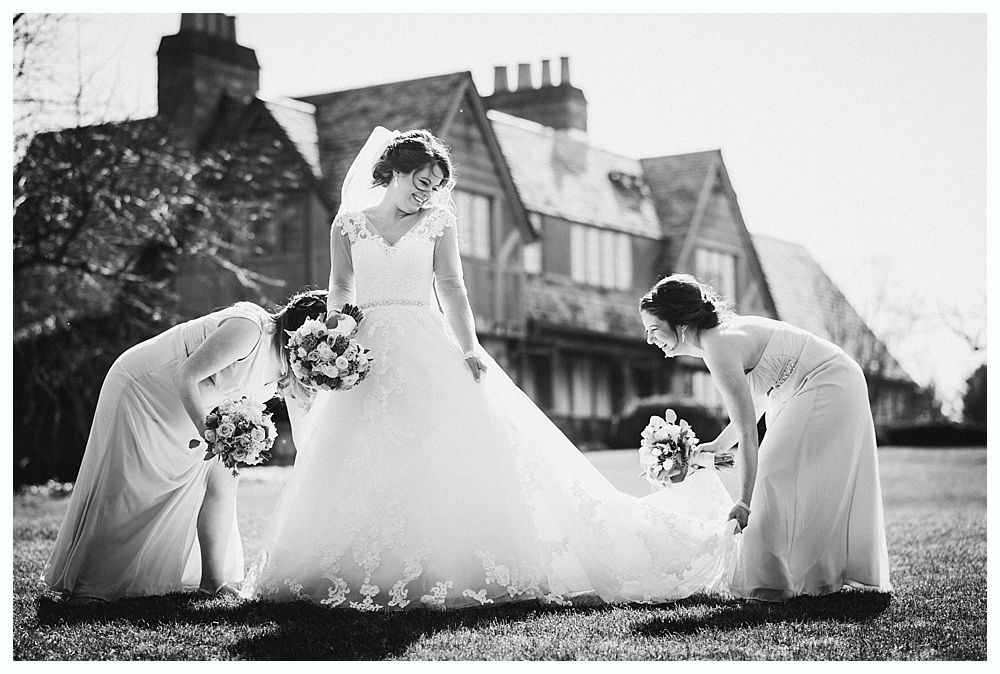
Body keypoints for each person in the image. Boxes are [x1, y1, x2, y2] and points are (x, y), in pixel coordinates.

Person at [243, 128, 740, 611]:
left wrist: (470, 347)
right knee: (359, 451)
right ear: (394, 171)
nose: (427, 194)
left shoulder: (438, 223)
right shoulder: (347, 225)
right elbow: (342, 288)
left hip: (425, 339)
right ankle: (350, 565)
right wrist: (335, 335)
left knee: (441, 447)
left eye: (435, 187)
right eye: (421, 183)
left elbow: (452, 286)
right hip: (366, 351)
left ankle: (444, 563)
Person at [42, 289, 328, 604]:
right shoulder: (251, 330)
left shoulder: (285, 369)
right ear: (303, 332)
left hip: (194, 406)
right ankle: (89, 587)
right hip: (145, 387)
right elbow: (187, 375)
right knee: (130, 485)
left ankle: (213, 581)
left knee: (222, 481)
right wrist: (209, 433)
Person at [639, 274, 892, 601]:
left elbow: (748, 433)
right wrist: (717, 445)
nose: (649, 339)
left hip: (828, 380)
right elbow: (754, 402)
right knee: (782, 476)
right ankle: (794, 576)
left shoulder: (718, 346)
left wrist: (743, 502)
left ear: (680, 323)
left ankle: (768, 584)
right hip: (801, 388)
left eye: (654, 329)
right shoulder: (717, 341)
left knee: (771, 472)